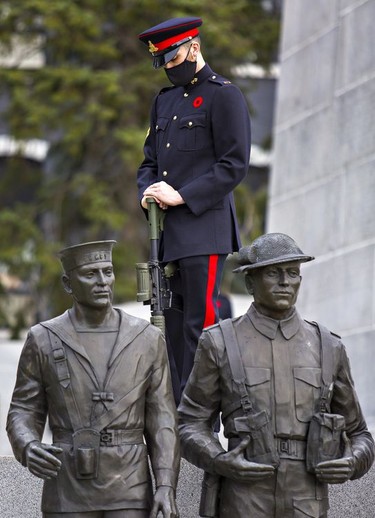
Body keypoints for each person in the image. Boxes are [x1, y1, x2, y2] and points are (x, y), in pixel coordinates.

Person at [178, 233, 375, 517]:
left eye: (293, 273)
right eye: (273, 273)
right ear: (250, 282)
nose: (285, 282)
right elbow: (189, 424)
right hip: (243, 497)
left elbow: (359, 434)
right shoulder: (220, 342)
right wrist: (220, 460)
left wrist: (352, 462)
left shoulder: (328, 346)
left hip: (307, 498)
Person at [7, 241, 180, 518]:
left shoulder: (146, 338)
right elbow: (23, 411)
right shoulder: (43, 338)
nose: (103, 282)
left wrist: (166, 484)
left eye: (108, 272)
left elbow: (162, 419)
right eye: (90, 274)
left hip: (130, 484)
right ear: (68, 283)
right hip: (67, 483)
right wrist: (28, 445)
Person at [137, 16, 251, 404]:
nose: (169, 67)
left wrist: (181, 196)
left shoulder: (224, 95)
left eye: (172, 58)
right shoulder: (164, 101)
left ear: (194, 48)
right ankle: (178, 412)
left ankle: (201, 416)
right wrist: (146, 193)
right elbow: (149, 163)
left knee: (200, 326)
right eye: (163, 62)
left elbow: (233, 164)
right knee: (171, 326)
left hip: (206, 228)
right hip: (168, 233)